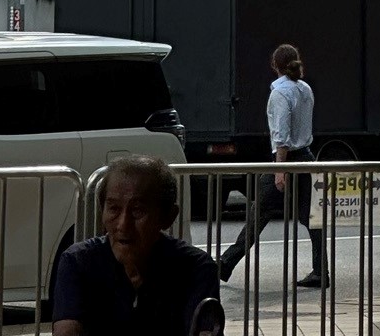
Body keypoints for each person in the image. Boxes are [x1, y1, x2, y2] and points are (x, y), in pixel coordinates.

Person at [52, 155, 221, 336]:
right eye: (114, 209)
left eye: (138, 210)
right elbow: (67, 330)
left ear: (168, 217)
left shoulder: (196, 268)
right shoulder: (78, 262)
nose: (123, 225)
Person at [217, 43, 325, 288]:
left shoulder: (279, 93)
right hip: (306, 158)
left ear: (274, 65)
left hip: (287, 159)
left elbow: (282, 135)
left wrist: (279, 170)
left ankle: (225, 264)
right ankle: (321, 270)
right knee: (311, 217)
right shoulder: (305, 89)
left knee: (260, 213)